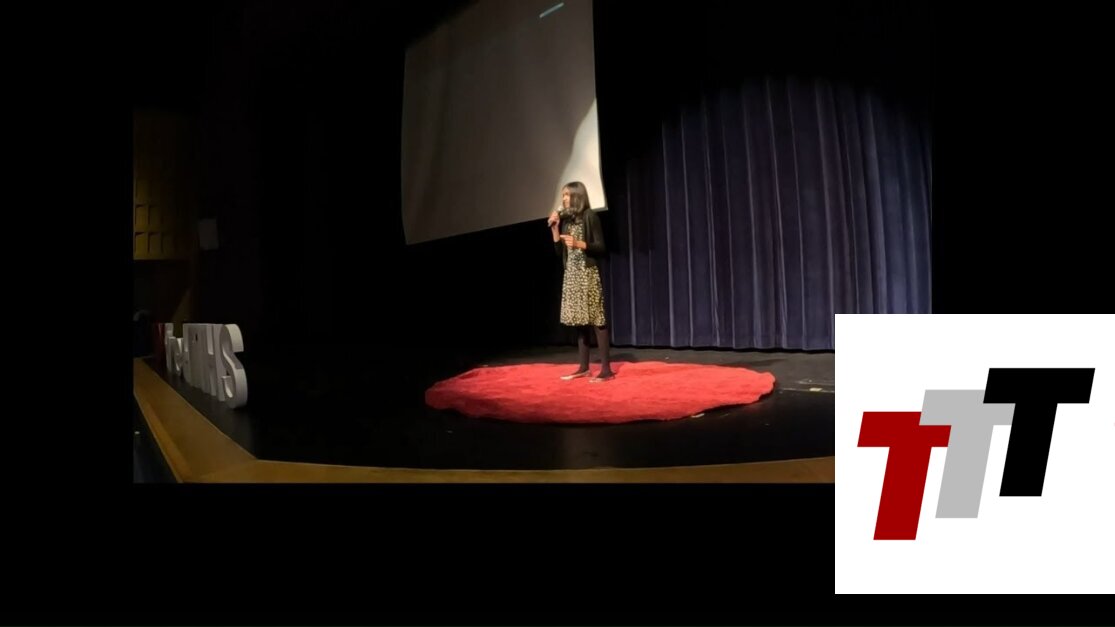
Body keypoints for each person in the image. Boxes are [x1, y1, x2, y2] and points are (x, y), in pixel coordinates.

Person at [547, 181, 615, 382]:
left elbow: (601, 247)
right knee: (580, 321)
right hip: (572, 275)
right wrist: (555, 229)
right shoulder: (567, 221)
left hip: (587, 273)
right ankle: (584, 368)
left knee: (597, 319)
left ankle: (606, 370)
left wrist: (579, 243)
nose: (564, 199)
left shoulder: (589, 216)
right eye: (563, 195)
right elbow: (559, 252)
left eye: (567, 195)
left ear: (577, 196)